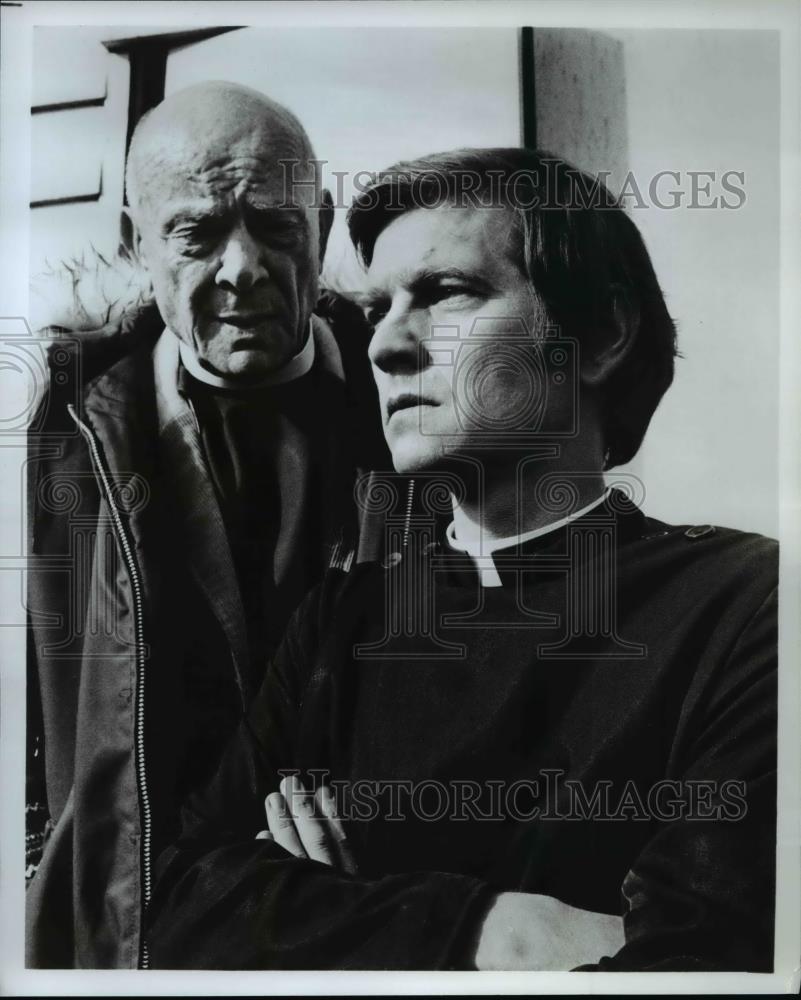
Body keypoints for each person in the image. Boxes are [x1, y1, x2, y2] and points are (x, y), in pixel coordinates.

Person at [146, 149, 777, 971]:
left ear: (599, 335)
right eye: (376, 307)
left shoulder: (747, 604)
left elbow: (700, 964)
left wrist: (325, 910)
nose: (383, 345)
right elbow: (184, 902)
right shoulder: (344, 620)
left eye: (444, 293)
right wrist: (499, 930)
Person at [25, 81, 386, 968]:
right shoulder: (58, 433)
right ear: (136, 239)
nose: (242, 270)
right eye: (196, 233)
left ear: (325, 221)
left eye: (274, 225)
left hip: (374, 909)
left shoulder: (409, 407)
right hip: (137, 927)